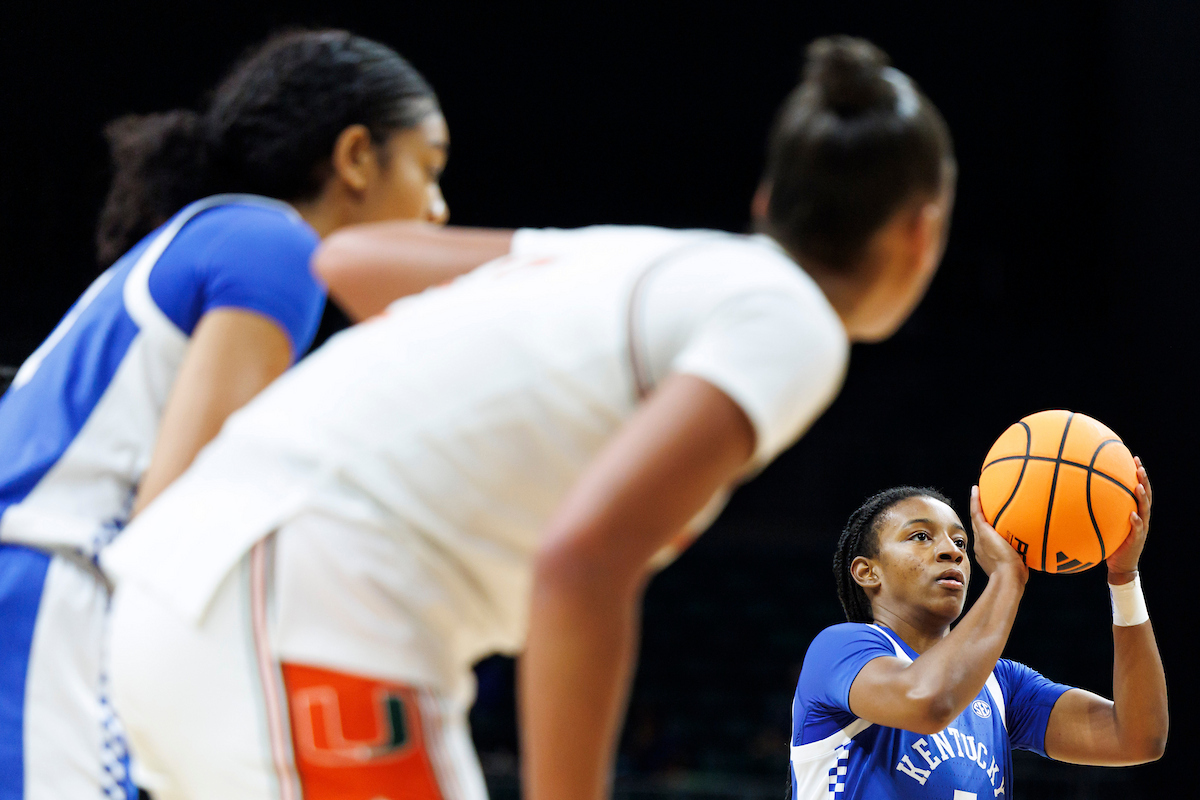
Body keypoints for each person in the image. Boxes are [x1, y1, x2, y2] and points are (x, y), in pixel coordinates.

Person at [102, 36, 955, 800]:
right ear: (922, 232)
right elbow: (583, 563)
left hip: (203, 597)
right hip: (304, 604)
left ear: (768, 200)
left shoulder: (638, 260)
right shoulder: (791, 321)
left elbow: (354, 257)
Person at [0, 29, 455, 800]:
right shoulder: (273, 244)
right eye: (428, 169)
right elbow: (174, 523)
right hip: (45, 596)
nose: (438, 210)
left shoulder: (213, 237)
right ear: (355, 157)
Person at [787, 465, 1167, 799]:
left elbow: (1138, 738)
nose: (951, 551)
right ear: (867, 572)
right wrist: (1007, 577)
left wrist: (1124, 579)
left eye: (960, 542)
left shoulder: (1003, 685)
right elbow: (928, 701)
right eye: (920, 536)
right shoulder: (839, 649)